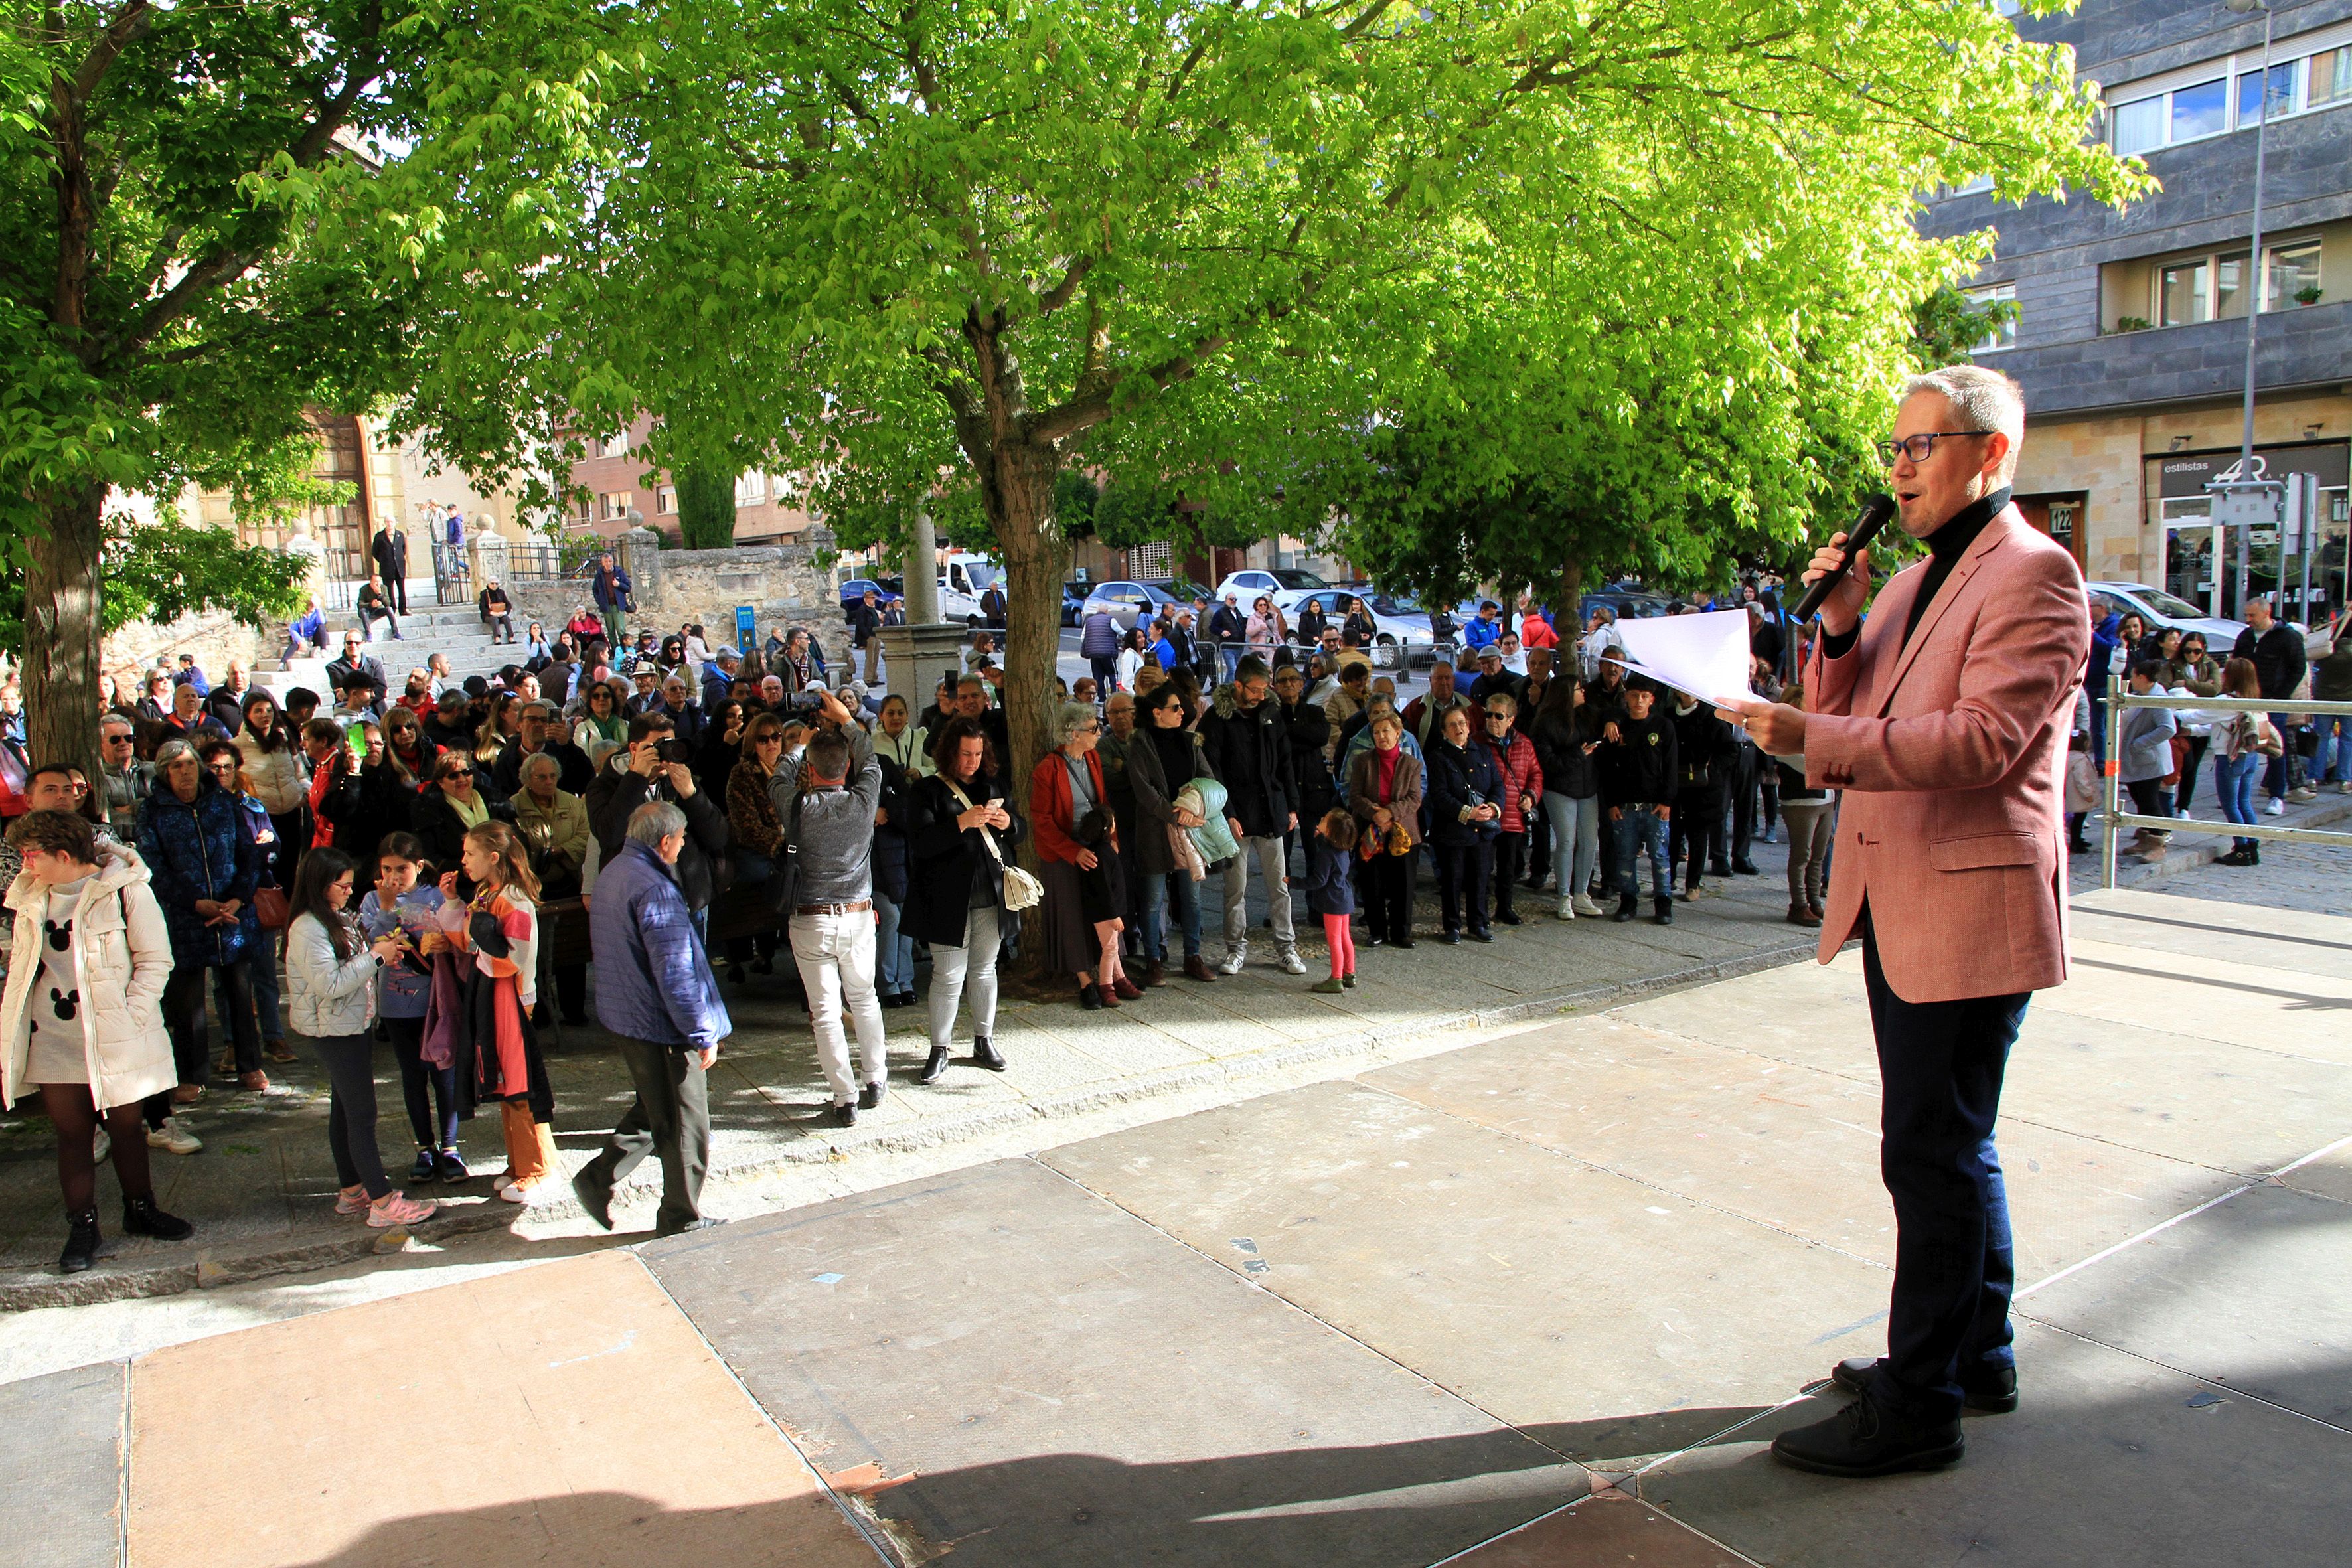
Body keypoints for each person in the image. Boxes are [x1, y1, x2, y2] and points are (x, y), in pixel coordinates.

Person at [1729, 364, 2088, 1478]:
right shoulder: (1908, 582)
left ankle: (1918, 1398)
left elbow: (1979, 741)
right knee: (1949, 1140)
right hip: (1901, 890)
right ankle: (1975, 1352)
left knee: (1926, 1150)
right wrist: (1837, 624)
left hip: (1969, 894)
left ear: (1987, 451)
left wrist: (1803, 734)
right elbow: (1846, 714)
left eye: (1918, 447)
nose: (1896, 470)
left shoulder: (2034, 574)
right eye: (1890, 450)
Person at [0, 810, 194, 1272]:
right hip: (53, 1035)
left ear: (63, 855)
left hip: (115, 1033)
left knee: (127, 1126)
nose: (25, 865)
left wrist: (131, 1016)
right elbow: (22, 968)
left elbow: (155, 960)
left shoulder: (127, 889)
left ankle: (140, 1209)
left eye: (32, 855)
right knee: (73, 1135)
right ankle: (82, 1227)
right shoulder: (29, 896)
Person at [574, 801, 730, 1234]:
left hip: (628, 1014)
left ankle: (597, 1178)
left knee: (655, 1107)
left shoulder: (615, 872)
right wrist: (702, 1033)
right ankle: (679, 1216)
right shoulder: (654, 887)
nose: (682, 849)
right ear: (665, 842)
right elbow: (676, 971)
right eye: (681, 841)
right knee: (686, 1121)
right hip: (658, 1021)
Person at [284, 846, 438, 1228]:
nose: (350, 891)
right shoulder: (307, 927)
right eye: (343, 885)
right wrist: (377, 957)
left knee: (344, 1109)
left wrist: (379, 951)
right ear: (321, 885)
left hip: (350, 1023)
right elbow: (329, 984)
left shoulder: (332, 917)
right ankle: (383, 1202)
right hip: (334, 1028)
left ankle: (353, 1190)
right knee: (362, 1114)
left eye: (351, 884)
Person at [435, 823, 559, 1203]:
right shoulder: (489, 893)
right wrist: (455, 903)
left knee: (518, 1079)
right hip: (492, 993)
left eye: (470, 854)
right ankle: (521, 1161)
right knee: (505, 1078)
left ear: (493, 857)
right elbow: (471, 941)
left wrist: (478, 945)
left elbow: (515, 956)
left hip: (509, 995)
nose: (463, 861)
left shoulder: (514, 900)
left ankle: (536, 1168)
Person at [137, 740, 264, 1099]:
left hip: (232, 911)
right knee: (188, 998)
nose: (185, 772)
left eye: (190, 765)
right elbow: (153, 867)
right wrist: (196, 903)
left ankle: (250, 1064)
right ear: (164, 772)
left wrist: (238, 898)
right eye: (176, 767)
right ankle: (192, 1073)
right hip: (186, 915)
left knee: (240, 990)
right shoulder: (153, 811)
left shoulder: (223, 801)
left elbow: (247, 851)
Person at [904, 716, 1025, 1083]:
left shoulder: (993, 784)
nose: (972, 760)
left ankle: (983, 1040)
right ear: (949, 753)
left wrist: (1009, 823)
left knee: (985, 969)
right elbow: (922, 843)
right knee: (947, 974)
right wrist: (960, 823)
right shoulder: (927, 790)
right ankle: (939, 1048)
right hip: (946, 896)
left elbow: (1019, 833)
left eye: (978, 753)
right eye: (965, 754)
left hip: (990, 891)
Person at [356, 835, 465, 1183]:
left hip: (436, 1000)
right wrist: (387, 909)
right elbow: (374, 943)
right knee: (412, 1076)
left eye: (401, 869)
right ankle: (424, 1147)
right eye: (386, 868)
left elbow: (453, 938)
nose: (393, 876)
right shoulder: (374, 900)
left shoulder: (435, 897)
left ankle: (451, 1148)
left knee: (444, 1073)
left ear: (418, 866)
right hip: (395, 1002)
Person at [1197, 657, 1304, 975]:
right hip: (1237, 814)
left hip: (1271, 810)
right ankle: (1235, 949)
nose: (1260, 695)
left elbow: (1285, 762)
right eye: (1254, 690)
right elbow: (1212, 771)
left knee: (1279, 886)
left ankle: (1287, 948)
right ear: (1239, 686)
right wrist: (1226, 814)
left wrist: (1293, 806)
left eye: (1263, 689)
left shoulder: (1271, 712)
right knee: (1236, 887)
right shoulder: (1217, 718)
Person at [1030, 702, 1135, 1010]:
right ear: (1073, 734)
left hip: (1094, 842)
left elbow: (1103, 802)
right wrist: (1073, 852)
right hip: (1063, 850)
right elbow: (1043, 821)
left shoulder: (1091, 758)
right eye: (1093, 729)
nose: (1098, 733)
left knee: (1108, 908)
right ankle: (1085, 981)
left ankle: (1115, 974)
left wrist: (1111, 837)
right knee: (1073, 913)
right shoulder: (1047, 769)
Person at [586, 714, 730, 923]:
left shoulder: (678, 781)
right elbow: (610, 835)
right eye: (658, 746)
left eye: (670, 744)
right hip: (637, 908)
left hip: (687, 904)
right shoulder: (605, 786)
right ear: (634, 749)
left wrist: (691, 795)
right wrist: (636, 780)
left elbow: (717, 838)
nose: (666, 753)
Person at [1123, 684, 1216, 984]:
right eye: (1174, 708)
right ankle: (1154, 960)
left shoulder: (1189, 741)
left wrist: (1191, 808)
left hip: (1189, 830)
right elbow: (1143, 790)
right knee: (1152, 899)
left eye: (1181, 708)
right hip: (1155, 829)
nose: (1181, 713)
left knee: (1192, 898)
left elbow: (1207, 779)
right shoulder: (1140, 743)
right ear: (1157, 712)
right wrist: (1174, 813)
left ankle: (1193, 956)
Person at [1423, 704, 1502, 943]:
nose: (1459, 728)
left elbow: (1497, 785)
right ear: (1444, 731)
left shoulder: (1483, 752)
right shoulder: (1438, 757)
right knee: (1453, 880)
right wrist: (1467, 812)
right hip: (1452, 831)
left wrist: (1493, 808)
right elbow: (1439, 794)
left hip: (1482, 832)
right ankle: (1452, 926)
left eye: (1462, 723)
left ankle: (1478, 923)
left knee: (1480, 878)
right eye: (1453, 724)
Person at [1600, 682, 1676, 925]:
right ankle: (1628, 900)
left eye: (1644, 696)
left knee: (1659, 855)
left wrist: (1667, 801)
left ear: (1652, 700)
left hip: (1655, 804)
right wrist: (1611, 802)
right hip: (1625, 805)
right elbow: (1608, 768)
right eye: (1634, 695)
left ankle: (1663, 902)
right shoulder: (1618, 726)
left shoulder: (1663, 726)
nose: (1639, 701)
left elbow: (1671, 766)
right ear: (1627, 698)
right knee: (1625, 855)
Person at [1529, 678, 1604, 919]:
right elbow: (1548, 762)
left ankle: (1582, 893)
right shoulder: (1546, 723)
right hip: (1560, 788)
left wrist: (1613, 721)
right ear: (1565, 694)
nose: (1583, 692)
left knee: (1589, 841)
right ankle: (1564, 896)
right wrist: (1578, 755)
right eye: (1578, 689)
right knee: (1566, 841)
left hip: (1587, 787)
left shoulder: (1586, 714)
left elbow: (1611, 712)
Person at [2231, 597, 2311, 811]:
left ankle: (2277, 795)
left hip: (2274, 700)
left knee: (2275, 746)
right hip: (2248, 698)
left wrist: (2281, 695)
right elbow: (2237, 663)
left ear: (2267, 613)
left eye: (2252, 616)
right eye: (2246, 615)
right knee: (2241, 744)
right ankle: (2236, 794)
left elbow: (2298, 668)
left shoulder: (2288, 637)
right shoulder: (2246, 637)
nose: (2249, 620)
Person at [1477, 692, 1542, 927]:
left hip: (1513, 815)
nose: (1492, 720)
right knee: (1482, 868)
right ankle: (1480, 912)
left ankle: (1505, 907)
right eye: (1488, 714)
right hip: (1485, 816)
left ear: (1511, 719)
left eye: (1498, 715)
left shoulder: (1524, 744)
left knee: (1508, 869)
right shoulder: (1477, 742)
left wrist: (1531, 796)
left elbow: (1536, 773)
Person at [2211, 657, 2280, 866]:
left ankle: (2240, 848)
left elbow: (2197, 715)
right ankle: (2252, 847)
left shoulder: (2227, 701)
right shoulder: (2255, 702)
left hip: (2230, 757)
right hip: (2251, 757)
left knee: (2230, 805)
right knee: (2244, 803)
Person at [1774, 685, 1834, 925]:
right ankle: (1798, 905)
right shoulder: (1783, 739)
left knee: (1818, 855)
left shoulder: (1815, 732)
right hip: (1800, 801)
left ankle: (1814, 901)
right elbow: (1813, 765)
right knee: (1802, 855)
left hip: (1825, 799)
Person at [1667, 696, 1737, 900]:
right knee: (1672, 834)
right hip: (1675, 785)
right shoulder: (1669, 715)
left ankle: (1693, 884)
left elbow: (1731, 750)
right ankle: (1667, 879)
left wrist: (1710, 769)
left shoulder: (1711, 717)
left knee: (1697, 836)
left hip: (1702, 787)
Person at [2115, 661, 2179, 863]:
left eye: (2133, 676)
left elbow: (2168, 728)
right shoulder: (2142, 696)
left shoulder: (2157, 699)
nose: (2131, 680)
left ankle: (2157, 842)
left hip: (2149, 761)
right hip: (2138, 761)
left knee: (2150, 802)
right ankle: (2145, 839)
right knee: (2141, 799)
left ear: (2142, 678)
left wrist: (2138, 744)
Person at [1300, 808, 1358, 994]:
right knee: (1345, 938)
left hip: (1332, 901)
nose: (1322, 818)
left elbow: (1319, 880)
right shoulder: (1342, 848)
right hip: (1344, 897)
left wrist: (1294, 882)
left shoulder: (1327, 853)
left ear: (1331, 831)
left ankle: (1336, 978)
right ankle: (1349, 973)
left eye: (1325, 819)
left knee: (1334, 942)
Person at [592, 550, 633, 645]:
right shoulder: (599, 574)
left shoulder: (619, 572)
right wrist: (600, 601)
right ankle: (615, 651)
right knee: (610, 631)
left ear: (613, 562)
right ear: (603, 563)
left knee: (621, 629)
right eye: (606, 562)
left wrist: (619, 584)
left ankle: (624, 649)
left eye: (610, 561)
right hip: (606, 606)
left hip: (618, 606)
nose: (608, 564)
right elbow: (595, 590)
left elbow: (628, 588)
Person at [370, 522, 410, 613]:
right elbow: (375, 551)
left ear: (395, 523)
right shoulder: (379, 536)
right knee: (389, 590)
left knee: (402, 589)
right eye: (388, 522)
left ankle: (403, 610)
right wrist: (384, 560)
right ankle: (392, 609)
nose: (390, 524)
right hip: (387, 568)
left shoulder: (400, 535)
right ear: (385, 523)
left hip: (399, 567)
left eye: (392, 522)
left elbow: (403, 549)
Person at [356, 577, 401, 642]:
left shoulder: (384, 588)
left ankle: (396, 632)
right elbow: (360, 604)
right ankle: (368, 633)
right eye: (376, 582)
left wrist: (380, 595)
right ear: (371, 583)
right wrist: (371, 605)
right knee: (363, 611)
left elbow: (388, 604)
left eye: (379, 582)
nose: (378, 584)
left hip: (378, 610)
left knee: (389, 609)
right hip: (368, 611)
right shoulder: (364, 589)